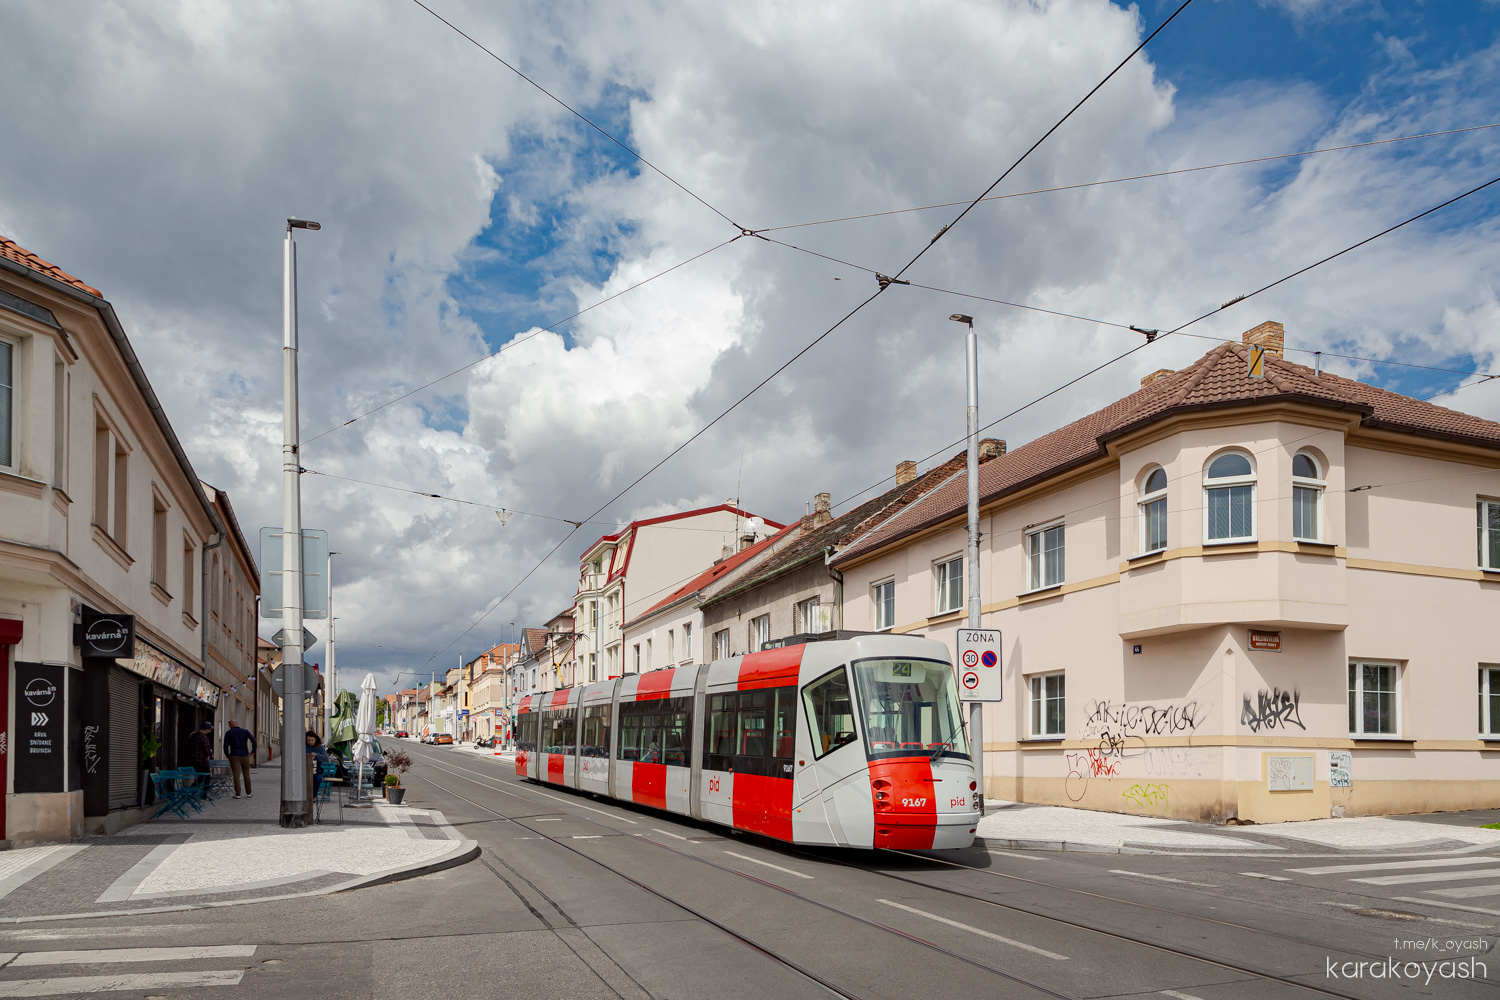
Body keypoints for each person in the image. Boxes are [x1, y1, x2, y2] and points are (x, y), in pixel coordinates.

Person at [222, 719, 257, 798]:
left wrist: (227, 755)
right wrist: (253, 751)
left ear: (230, 725)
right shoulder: (245, 731)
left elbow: (225, 745)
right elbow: (254, 741)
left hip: (234, 755)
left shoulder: (229, 733)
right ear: (236, 724)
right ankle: (249, 792)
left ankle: (238, 793)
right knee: (246, 774)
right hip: (245, 755)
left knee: (236, 775)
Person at [306, 730, 330, 798]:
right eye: (308, 740)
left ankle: (313, 796)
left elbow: (326, 758)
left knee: (318, 779)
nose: (310, 742)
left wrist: (316, 755)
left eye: (312, 740)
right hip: (305, 770)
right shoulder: (304, 746)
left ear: (315, 739)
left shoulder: (319, 747)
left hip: (317, 770)